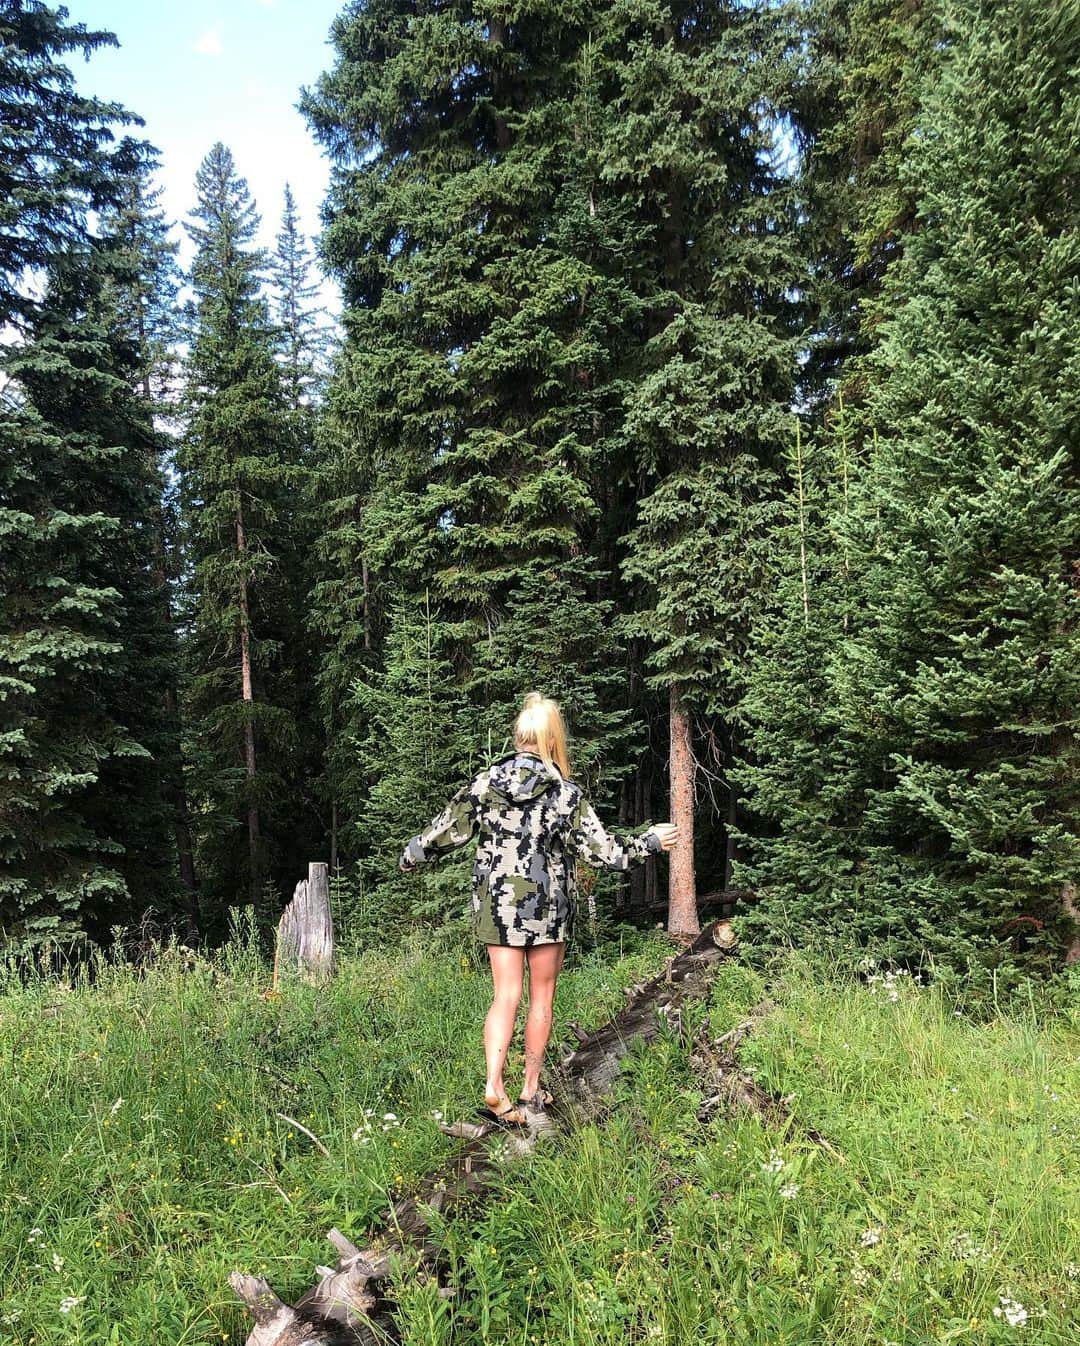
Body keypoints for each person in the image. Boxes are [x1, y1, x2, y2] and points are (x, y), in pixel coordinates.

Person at [399, 691, 679, 1126]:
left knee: (504, 995)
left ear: (519, 736)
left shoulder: (485, 784)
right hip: (547, 906)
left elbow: (445, 831)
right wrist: (652, 842)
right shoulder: (565, 795)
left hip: (497, 905)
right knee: (540, 997)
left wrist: (413, 854)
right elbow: (606, 853)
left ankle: (495, 1085)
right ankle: (530, 1090)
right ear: (552, 740)